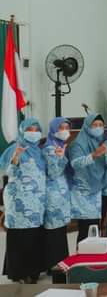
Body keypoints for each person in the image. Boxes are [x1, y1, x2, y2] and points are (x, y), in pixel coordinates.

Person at [0, 119, 46, 283]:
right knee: (19, 236)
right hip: (18, 200)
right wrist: (16, 158)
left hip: (37, 201)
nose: (33, 133)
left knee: (34, 236)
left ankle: (33, 271)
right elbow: (9, 173)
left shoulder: (39, 151)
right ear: (22, 131)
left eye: (36, 129)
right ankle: (19, 273)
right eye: (29, 129)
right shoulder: (15, 148)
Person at [69, 113, 107, 243]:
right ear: (87, 126)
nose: (98, 128)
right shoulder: (78, 143)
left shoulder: (101, 142)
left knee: (95, 227)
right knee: (86, 229)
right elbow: (75, 163)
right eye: (94, 125)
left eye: (101, 125)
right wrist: (93, 155)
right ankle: (82, 254)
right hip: (83, 190)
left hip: (98, 187)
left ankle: (94, 254)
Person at [43, 117, 72, 273]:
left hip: (60, 193)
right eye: (61, 127)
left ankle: (61, 263)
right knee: (54, 231)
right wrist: (60, 157)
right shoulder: (50, 148)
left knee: (60, 231)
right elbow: (53, 173)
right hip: (52, 194)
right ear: (54, 129)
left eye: (67, 127)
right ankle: (54, 266)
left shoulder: (59, 145)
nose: (65, 131)